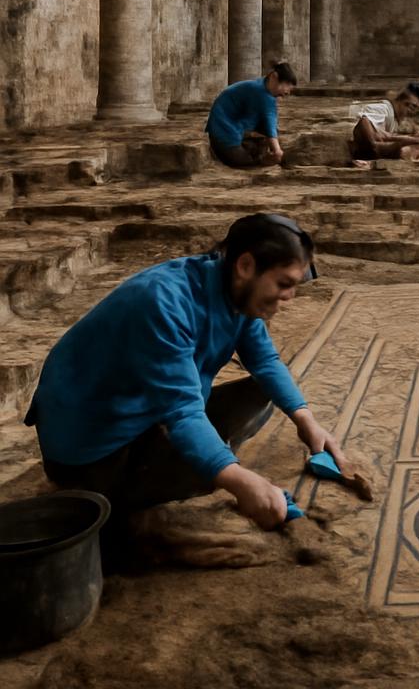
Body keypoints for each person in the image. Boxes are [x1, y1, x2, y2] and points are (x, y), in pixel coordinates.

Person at [25, 214, 353, 531]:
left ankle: (191, 458)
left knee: (263, 391)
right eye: (284, 284)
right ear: (246, 265)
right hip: (89, 450)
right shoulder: (162, 301)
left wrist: (307, 421)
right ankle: (104, 495)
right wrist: (239, 481)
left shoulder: (235, 289)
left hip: (140, 415)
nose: (289, 298)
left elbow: (264, 360)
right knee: (209, 466)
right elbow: (181, 413)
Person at [205, 61, 297, 168]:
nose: (287, 92)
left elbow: (267, 121)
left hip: (229, 127)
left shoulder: (260, 86)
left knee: (266, 140)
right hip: (224, 134)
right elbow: (269, 122)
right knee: (248, 163)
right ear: (274, 77)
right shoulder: (261, 93)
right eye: (286, 85)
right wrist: (277, 151)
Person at [348, 80, 419, 168]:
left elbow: (384, 137)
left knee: (409, 148)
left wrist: (414, 140)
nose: (412, 112)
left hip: (372, 149)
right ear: (402, 102)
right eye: (411, 107)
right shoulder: (382, 108)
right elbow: (372, 133)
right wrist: (409, 139)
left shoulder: (393, 120)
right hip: (360, 144)